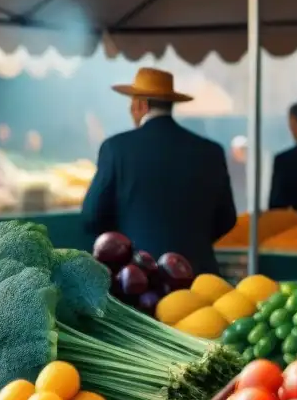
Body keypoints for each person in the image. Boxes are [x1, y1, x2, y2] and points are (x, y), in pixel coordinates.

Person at [81, 68, 236, 275]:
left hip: (138, 277)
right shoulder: (211, 151)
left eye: (132, 104)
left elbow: (92, 216)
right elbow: (227, 217)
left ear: (141, 104)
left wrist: (121, 243)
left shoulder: (116, 148)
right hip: (199, 276)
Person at [227, 136, 248, 213]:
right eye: (242, 150)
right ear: (234, 150)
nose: (244, 152)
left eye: (245, 150)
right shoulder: (227, 166)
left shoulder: (248, 166)